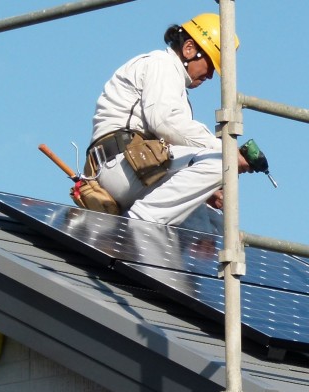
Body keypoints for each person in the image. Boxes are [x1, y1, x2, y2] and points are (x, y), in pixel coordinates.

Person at [86, 13, 252, 234]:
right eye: (210, 64)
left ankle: (157, 258)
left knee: (214, 228)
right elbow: (165, 121)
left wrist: (199, 188)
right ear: (189, 49)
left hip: (142, 168)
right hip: (121, 166)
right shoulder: (161, 64)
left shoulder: (174, 84)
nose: (211, 75)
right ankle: (137, 226)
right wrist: (226, 150)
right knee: (222, 162)